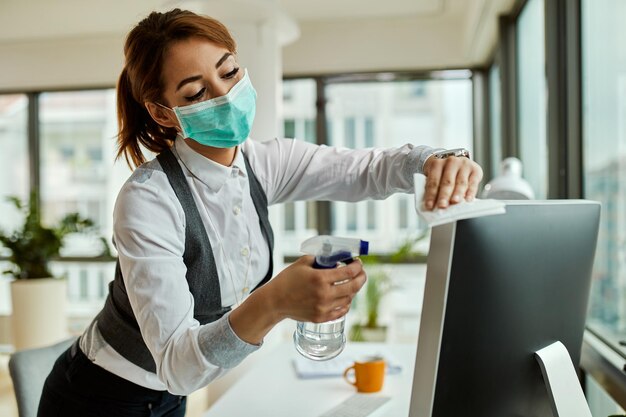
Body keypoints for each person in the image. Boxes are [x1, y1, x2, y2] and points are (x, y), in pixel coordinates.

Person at [37, 8, 483, 417]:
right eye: (197, 92)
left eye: (229, 71)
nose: (226, 95)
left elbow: (367, 169)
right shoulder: (148, 200)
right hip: (97, 398)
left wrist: (435, 160)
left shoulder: (263, 163)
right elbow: (178, 364)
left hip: (170, 399)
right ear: (162, 112)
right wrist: (275, 302)